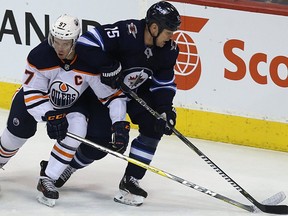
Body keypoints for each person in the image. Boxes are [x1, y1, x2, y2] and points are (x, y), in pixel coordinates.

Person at [54, 1, 181, 206]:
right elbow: (86, 43)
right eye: (168, 32)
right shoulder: (126, 32)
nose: (170, 37)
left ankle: (131, 180)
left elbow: (164, 82)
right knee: (100, 145)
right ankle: (71, 165)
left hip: (136, 92)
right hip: (106, 94)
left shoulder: (169, 50)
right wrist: (108, 66)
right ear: (154, 27)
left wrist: (166, 109)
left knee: (154, 124)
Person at [0, 14, 130, 207]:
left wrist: (119, 123)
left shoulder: (90, 62)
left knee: (77, 129)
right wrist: (50, 115)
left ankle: (48, 178)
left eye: (65, 43)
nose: (59, 48)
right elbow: (32, 91)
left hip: (71, 104)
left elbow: (111, 96)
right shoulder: (40, 55)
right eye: (56, 41)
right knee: (17, 134)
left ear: (75, 41)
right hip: (35, 100)